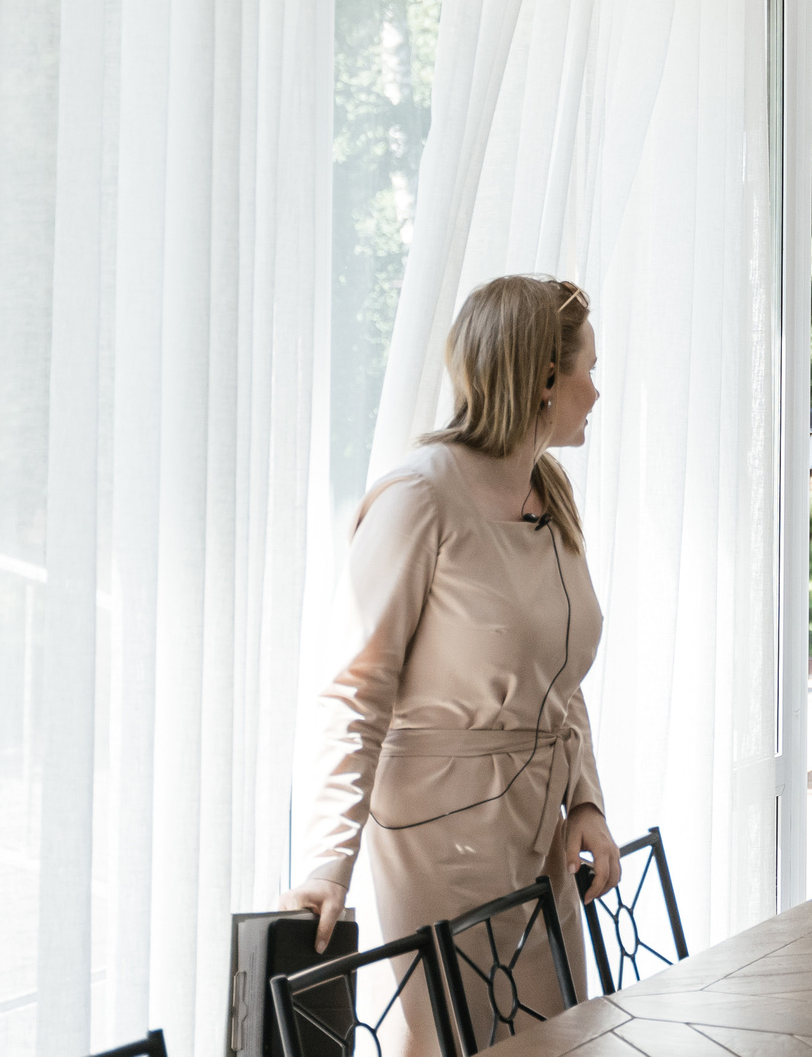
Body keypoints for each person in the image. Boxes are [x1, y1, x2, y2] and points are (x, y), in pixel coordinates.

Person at [286, 275, 622, 1050]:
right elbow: (356, 690)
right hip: (443, 839)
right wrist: (327, 862)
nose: (596, 392)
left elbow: (559, 682)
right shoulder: (418, 498)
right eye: (587, 370)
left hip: (539, 833)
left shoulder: (551, 491)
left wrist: (589, 803)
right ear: (543, 377)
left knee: (561, 1039)